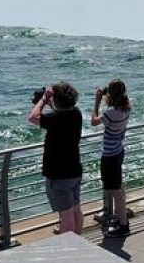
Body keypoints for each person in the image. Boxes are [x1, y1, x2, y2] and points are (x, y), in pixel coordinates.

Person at [28, 81, 84, 235]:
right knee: (76, 211)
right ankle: (79, 242)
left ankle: (70, 247)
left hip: (59, 174)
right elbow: (60, 112)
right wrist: (50, 101)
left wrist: (44, 99)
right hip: (74, 170)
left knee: (66, 215)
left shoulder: (55, 118)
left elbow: (33, 117)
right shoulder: (76, 114)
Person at [91, 79, 132, 237]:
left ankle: (123, 225)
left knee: (115, 191)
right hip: (118, 151)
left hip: (109, 155)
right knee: (118, 188)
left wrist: (97, 102)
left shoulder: (110, 113)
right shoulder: (126, 108)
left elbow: (94, 122)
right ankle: (121, 218)